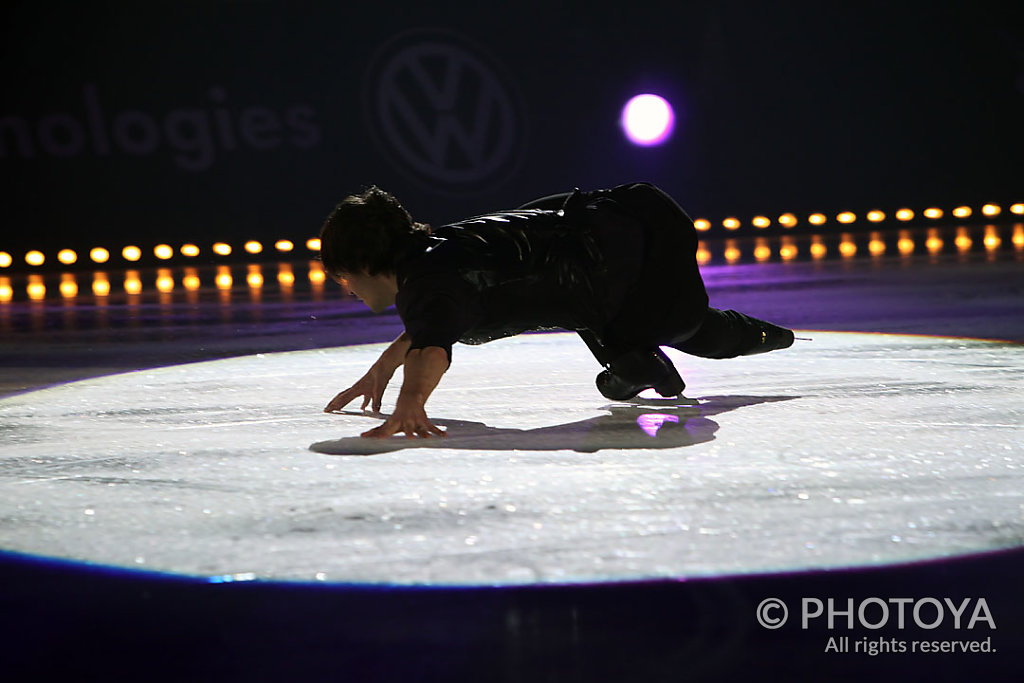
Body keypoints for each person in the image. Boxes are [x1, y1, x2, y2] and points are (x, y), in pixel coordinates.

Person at [319, 182, 794, 439]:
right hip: (606, 254)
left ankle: (770, 337)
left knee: (693, 330)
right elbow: (433, 325)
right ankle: (636, 361)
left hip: (644, 238)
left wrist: (410, 405)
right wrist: (385, 366)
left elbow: (432, 346)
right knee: (640, 338)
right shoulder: (431, 260)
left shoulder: (428, 285)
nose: (344, 289)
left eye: (342, 276)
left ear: (363, 264)